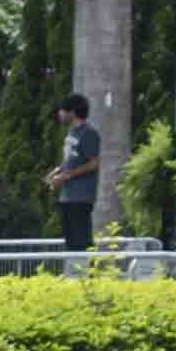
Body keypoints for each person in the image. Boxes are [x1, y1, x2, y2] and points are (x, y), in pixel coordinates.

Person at [45, 94, 103, 251]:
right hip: (67, 197)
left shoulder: (89, 133)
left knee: (82, 244)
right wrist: (56, 172)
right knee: (71, 244)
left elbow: (94, 163)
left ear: (72, 112)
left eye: (62, 110)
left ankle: (88, 275)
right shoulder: (71, 134)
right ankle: (74, 275)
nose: (60, 114)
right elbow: (70, 160)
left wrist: (67, 176)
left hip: (81, 197)